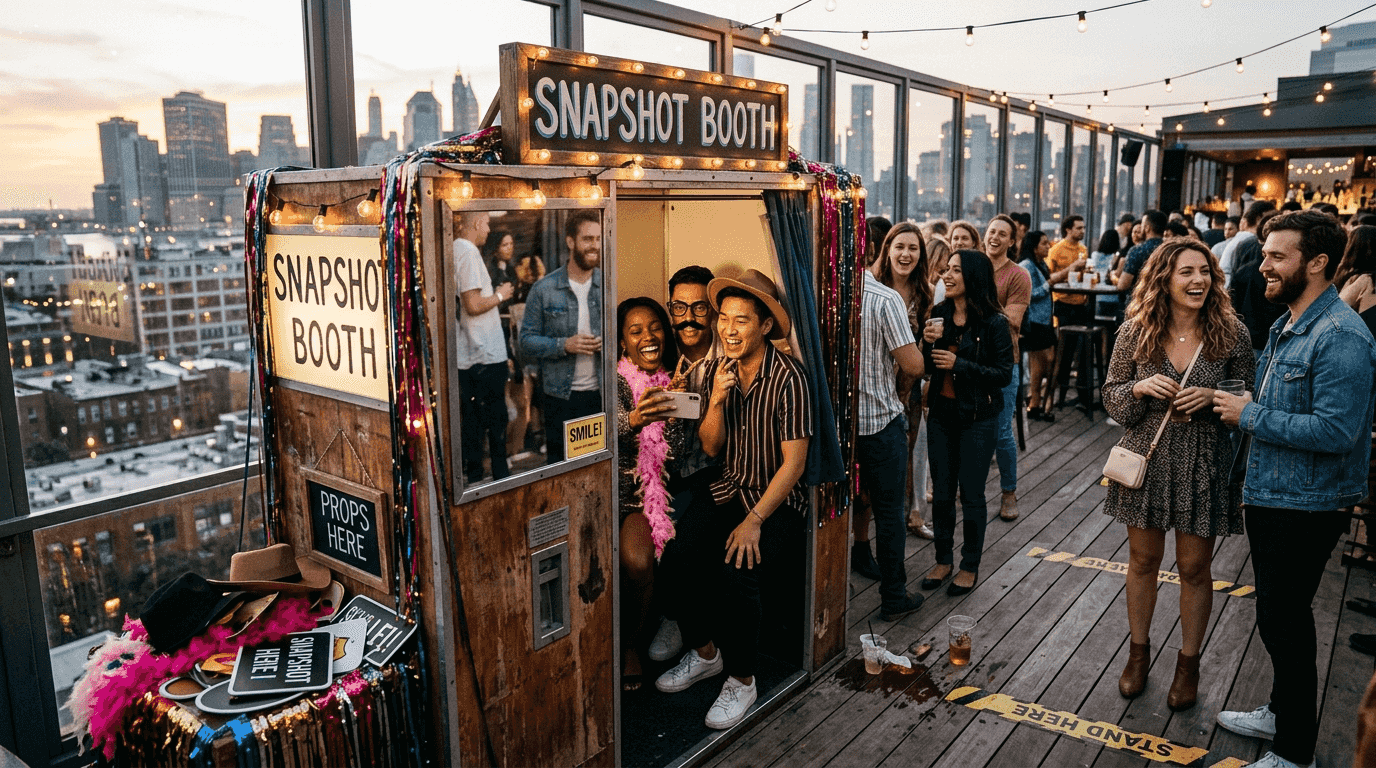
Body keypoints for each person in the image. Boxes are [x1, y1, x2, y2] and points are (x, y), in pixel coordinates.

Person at [1213, 210, 1376, 768]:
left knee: (1285, 622)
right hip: (1276, 495)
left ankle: (1294, 751)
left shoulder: (1341, 336)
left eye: (1277, 256)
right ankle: (1283, 713)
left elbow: (1336, 432)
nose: (1264, 266)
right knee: (1281, 614)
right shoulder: (1293, 322)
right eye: (1265, 254)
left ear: (1318, 263)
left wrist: (1249, 415)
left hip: (1306, 503)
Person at [654, 270, 811, 731]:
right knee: (676, 559)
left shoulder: (789, 378)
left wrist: (755, 520)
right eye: (724, 318)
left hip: (775, 500)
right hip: (728, 486)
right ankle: (706, 655)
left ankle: (743, 680)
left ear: (764, 326)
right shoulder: (716, 370)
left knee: (737, 573)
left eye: (741, 320)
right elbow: (709, 447)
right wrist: (717, 399)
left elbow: (794, 465)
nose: (728, 329)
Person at [1101, 239, 1254, 710]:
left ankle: (1189, 665)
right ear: (1164, 279)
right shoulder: (1136, 331)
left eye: (1205, 271)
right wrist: (1140, 387)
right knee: (1143, 561)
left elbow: (1247, 398)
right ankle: (1138, 654)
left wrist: (1212, 399)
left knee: (1194, 568)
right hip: (1146, 458)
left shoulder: (1232, 333)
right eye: (1186, 272)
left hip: (1202, 460)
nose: (1198, 281)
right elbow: (1111, 397)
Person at [919, 249, 1014, 596]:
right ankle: (943, 559)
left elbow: (1004, 375)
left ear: (972, 276)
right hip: (942, 415)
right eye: (946, 269)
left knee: (971, 493)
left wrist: (960, 366)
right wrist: (924, 344)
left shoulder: (994, 323)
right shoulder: (939, 312)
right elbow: (927, 366)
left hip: (978, 418)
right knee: (942, 493)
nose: (946, 274)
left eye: (955, 270)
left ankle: (969, 564)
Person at [648, 265, 722, 664]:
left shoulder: (728, 358)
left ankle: (680, 621)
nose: (689, 317)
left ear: (712, 311)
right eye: (679, 307)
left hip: (714, 474)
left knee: (680, 544)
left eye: (699, 307)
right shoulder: (659, 354)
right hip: (663, 474)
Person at [613, 297, 687, 692]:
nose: (648, 337)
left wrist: (676, 405)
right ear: (623, 343)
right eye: (636, 330)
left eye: (655, 326)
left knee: (639, 563)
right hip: (611, 493)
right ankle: (621, 645)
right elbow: (597, 430)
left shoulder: (674, 380)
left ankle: (633, 644)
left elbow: (675, 450)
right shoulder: (611, 381)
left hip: (647, 500)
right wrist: (633, 419)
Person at [856, 249, 926, 620]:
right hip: (880, 423)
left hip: (833, 430)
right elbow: (914, 364)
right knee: (889, 513)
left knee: (836, 509)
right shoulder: (885, 299)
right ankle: (893, 597)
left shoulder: (816, 295)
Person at [520, 211, 604, 464]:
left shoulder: (608, 284)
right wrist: (563, 345)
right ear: (570, 242)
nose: (595, 246)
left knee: (597, 464)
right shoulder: (544, 289)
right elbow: (526, 341)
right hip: (560, 397)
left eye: (599, 239)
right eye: (588, 239)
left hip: (601, 394)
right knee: (561, 466)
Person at [875, 223, 936, 541]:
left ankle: (909, 517)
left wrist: (928, 341)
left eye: (913, 248)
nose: (906, 253)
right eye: (900, 246)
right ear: (887, 250)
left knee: (909, 454)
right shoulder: (873, 286)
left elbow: (926, 355)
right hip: (874, 387)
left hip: (909, 388)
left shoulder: (926, 294)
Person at [453, 211, 513, 484]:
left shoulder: (458, 250)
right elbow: (473, 304)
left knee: (476, 421)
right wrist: (502, 295)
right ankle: (497, 478)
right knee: (494, 421)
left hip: (473, 353)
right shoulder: (466, 251)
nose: (489, 229)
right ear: (476, 223)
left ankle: (477, 477)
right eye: (487, 223)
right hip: (483, 355)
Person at [984, 215, 1030, 521]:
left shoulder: (1018, 275)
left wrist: (974, 304)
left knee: (1001, 432)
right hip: (971, 359)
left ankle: (1009, 493)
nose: (995, 238)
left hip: (1003, 361)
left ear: (1012, 241)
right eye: (991, 232)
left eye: (1003, 234)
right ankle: (969, 485)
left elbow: (1013, 320)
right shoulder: (974, 264)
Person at [1047, 215, 1093, 409]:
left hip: (1081, 303)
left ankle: (1083, 396)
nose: (1082, 231)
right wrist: (1071, 269)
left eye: (1083, 228)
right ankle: (1058, 395)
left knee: (1082, 350)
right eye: (1079, 228)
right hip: (1064, 304)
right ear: (1068, 230)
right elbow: (1048, 277)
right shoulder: (1056, 250)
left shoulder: (1083, 250)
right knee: (1064, 351)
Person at [1018, 230, 1056, 421]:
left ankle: (1035, 399)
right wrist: (1051, 283)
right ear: (1034, 247)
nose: (1048, 246)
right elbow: (1028, 294)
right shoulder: (1026, 265)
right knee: (1038, 360)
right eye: (1044, 243)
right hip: (1034, 320)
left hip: (1044, 319)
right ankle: (1034, 402)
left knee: (1046, 359)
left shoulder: (1040, 264)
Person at [1221, 200, 1276, 288]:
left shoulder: (1243, 238)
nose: (1275, 220)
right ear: (1259, 219)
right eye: (1271, 217)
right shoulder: (1251, 241)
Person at [1116, 209, 1167, 294]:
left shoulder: (1137, 250)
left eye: (1143, 225)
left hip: (1139, 302)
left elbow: (1123, 285)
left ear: (1147, 228)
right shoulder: (1171, 249)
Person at [1090, 229, 1124, 320]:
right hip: (1114, 295)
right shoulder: (1117, 258)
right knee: (1112, 326)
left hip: (1098, 294)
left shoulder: (1095, 256)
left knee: (1098, 324)